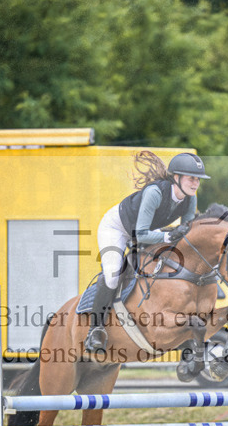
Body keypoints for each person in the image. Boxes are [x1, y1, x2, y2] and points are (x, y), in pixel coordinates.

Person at [84, 150, 209, 354]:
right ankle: (95, 330)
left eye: (198, 179)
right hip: (117, 228)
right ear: (176, 178)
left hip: (148, 231)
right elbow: (141, 235)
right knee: (113, 273)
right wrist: (169, 236)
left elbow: (185, 234)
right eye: (191, 178)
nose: (196, 183)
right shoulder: (155, 192)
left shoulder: (190, 198)